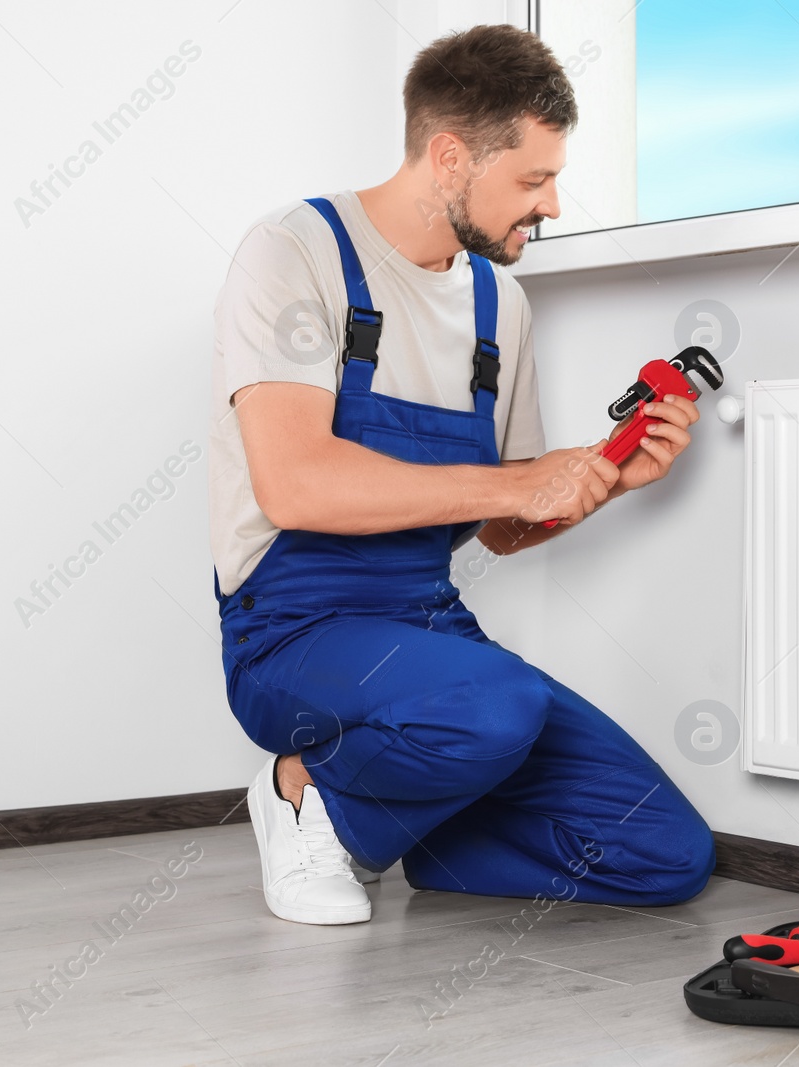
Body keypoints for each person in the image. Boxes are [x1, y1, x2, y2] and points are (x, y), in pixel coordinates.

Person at [209, 23, 715, 925]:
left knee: (663, 851)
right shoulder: (295, 252)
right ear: (449, 157)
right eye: (532, 178)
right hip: (292, 633)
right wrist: (519, 482)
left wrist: (609, 477)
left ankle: (406, 828)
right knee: (500, 702)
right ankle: (299, 792)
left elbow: (504, 529)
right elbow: (297, 485)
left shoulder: (498, 304)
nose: (551, 203)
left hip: (427, 630)